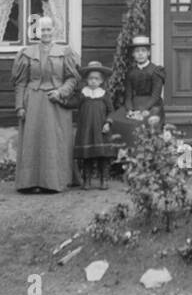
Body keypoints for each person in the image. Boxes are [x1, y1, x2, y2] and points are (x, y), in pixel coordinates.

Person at [12, 16, 81, 193]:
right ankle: (29, 182)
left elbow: (72, 78)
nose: (46, 33)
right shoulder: (27, 53)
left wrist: (61, 92)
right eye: (42, 30)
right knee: (32, 141)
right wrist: (20, 106)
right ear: (37, 32)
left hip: (56, 102)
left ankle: (54, 182)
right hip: (33, 102)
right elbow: (20, 82)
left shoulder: (64, 52)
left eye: (49, 29)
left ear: (54, 31)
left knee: (54, 141)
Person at [108, 35, 165, 157]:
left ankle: (146, 157)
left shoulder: (156, 71)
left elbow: (155, 96)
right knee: (117, 119)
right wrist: (129, 110)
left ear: (148, 53)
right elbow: (128, 95)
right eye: (137, 51)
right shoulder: (131, 72)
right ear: (133, 54)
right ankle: (125, 158)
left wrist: (142, 111)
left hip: (151, 105)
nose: (140, 54)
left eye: (143, 51)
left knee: (142, 123)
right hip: (134, 104)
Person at [73, 60, 116, 189]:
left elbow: (111, 111)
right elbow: (73, 104)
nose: (93, 81)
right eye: (91, 78)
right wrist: (59, 99)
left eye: (96, 79)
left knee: (102, 155)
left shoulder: (104, 95)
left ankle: (104, 180)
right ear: (86, 79)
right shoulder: (83, 94)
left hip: (100, 129)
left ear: (101, 81)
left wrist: (108, 122)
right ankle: (87, 180)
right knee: (87, 156)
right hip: (86, 129)